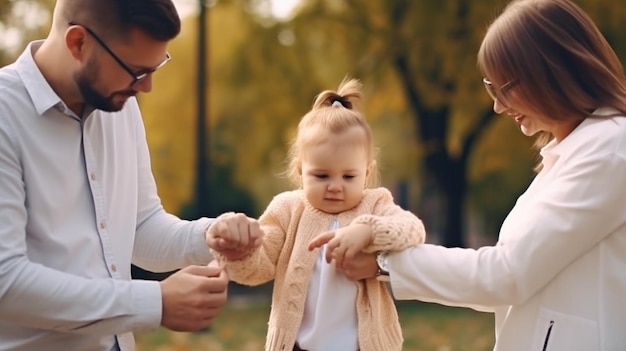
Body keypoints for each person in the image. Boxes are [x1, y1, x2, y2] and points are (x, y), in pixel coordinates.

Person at [310, 0, 626, 350]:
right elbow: (507, 282)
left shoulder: (611, 148)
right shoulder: (573, 153)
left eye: (506, 87)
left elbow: (507, 275)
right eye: (493, 87)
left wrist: (384, 263)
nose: (498, 105)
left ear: (551, 70)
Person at [0, 1, 262, 350]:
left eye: (155, 68)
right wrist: (155, 303)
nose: (146, 86)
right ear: (77, 42)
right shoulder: (5, 114)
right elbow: (7, 281)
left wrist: (209, 235)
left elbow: (138, 227)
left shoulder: (117, 101)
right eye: (136, 71)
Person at [207, 78, 426, 351]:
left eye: (349, 176)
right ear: (300, 171)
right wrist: (239, 251)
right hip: (298, 345)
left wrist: (369, 230)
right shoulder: (287, 210)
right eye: (321, 175)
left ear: (367, 172)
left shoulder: (375, 204)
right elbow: (257, 268)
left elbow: (412, 228)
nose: (335, 186)